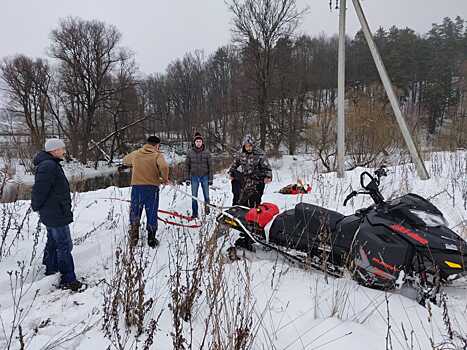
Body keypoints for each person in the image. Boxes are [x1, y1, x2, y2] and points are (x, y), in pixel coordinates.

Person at [31, 138, 83, 292]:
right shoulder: (48, 166)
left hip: (54, 211)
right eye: (62, 149)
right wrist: (37, 206)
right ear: (54, 151)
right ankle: (68, 279)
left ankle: (51, 269)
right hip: (54, 212)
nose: (64, 151)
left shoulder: (51, 164)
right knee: (64, 245)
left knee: (54, 241)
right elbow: (39, 190)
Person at [123, 136, 169, 248]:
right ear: (157, 145)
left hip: (137, 188)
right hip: (151, 188)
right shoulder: (157, 155)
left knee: (135, 211)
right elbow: (164, 166)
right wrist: (164, 178)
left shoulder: (136, 153)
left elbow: (125, 160)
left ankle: (134, 237)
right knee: (151, 212)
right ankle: (151, 239)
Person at [228, 134, 272, 250]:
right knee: (243, 204)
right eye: (246, 146)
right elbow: (234, 164)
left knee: (255, 206)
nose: (248, 148)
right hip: (245, 183)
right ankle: (244, 228)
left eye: (250, 146)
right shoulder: (240, 153)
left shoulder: (260, 154)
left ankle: (255, 229)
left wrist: (268, 176)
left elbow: (267, 168)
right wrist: (231, 173)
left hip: (257, 183)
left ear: (253, 145)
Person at [185, 132, 213, 219]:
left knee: (206, 195)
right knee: (194, 196)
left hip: (205, 176)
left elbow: (211, 166)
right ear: (194, 142)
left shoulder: (207, 152)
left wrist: (210, 178)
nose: (198, 143)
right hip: (194, 177)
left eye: (200, 141)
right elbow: (187, 166)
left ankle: (207, 211)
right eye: (197, 141)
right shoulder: (190, 152)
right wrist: (187, 178)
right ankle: (195, 213)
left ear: (202, 142)